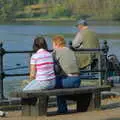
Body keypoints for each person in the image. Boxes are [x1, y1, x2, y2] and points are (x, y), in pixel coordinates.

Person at [52, 35, 80, 113]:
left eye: (53, 44)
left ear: (56, 44)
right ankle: (73, 100)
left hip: (68, 81)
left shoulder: (56, 52)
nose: (53, 47)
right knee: (59, 83)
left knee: (53, 83)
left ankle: (62, 109)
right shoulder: (71, 50)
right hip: (78, 80)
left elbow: (53, 67)